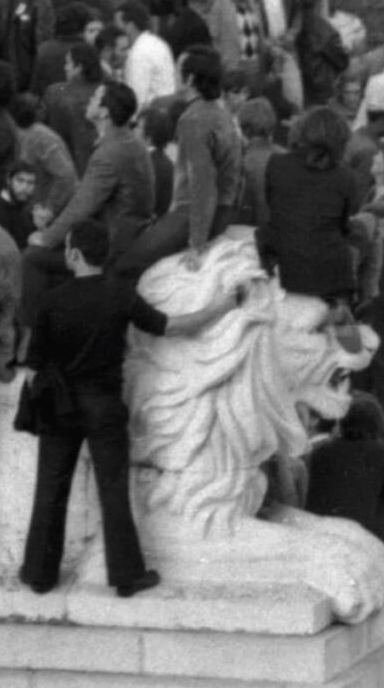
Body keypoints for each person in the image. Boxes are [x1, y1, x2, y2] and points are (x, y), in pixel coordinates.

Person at [17, 218, 240, 597]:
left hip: (61, 405)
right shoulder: (119, 293)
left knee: (51, 488)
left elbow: (33, 362)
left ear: (72, 253)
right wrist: (223, 304)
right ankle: (125, 575)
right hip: (104, 404)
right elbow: (171, 326)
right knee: (114, 490)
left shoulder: (52, 300)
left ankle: (40, 574)